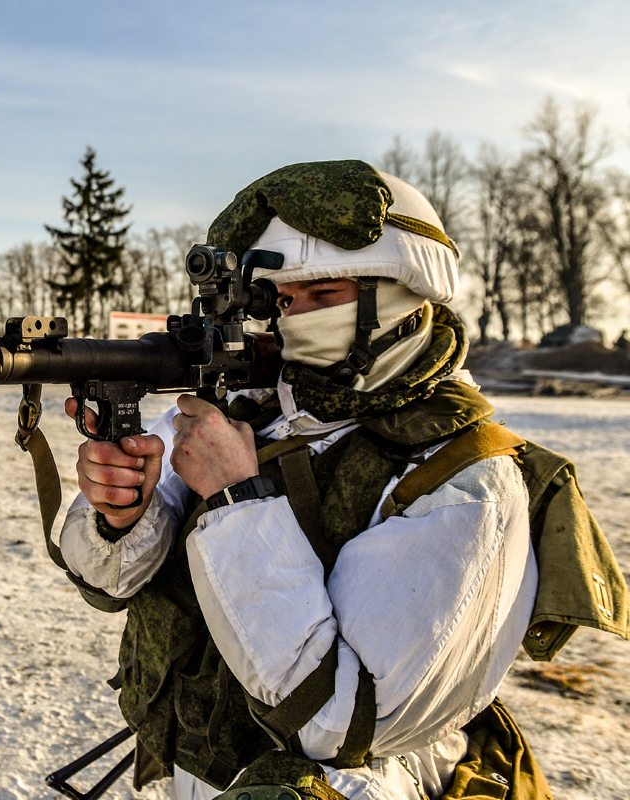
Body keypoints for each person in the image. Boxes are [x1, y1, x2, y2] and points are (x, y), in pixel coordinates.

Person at [55, 161, 543, 800]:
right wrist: (122, 513)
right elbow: (110, 580)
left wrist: (235, 499)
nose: (294, 318)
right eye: (285, 300)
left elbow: (337, 723)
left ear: (399, 292)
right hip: (204, 771)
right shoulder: (261, 416)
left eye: (324, 294)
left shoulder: (466, 479)